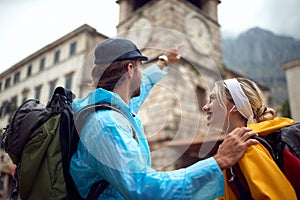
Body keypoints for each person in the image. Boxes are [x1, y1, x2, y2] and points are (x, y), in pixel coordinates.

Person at [70, 38, 258, 200]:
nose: (141, 74)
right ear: (130, 69)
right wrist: (219, 160)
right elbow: (144, 188)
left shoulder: (113, 109)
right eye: (140, 67)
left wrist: (164, 61)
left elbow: (143, 87)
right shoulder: (107, 124)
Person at [202, 77, 297, 200]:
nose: (205, 107)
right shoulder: (239, 146)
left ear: (235, 105)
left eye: (212, 99)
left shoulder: (248, 146)